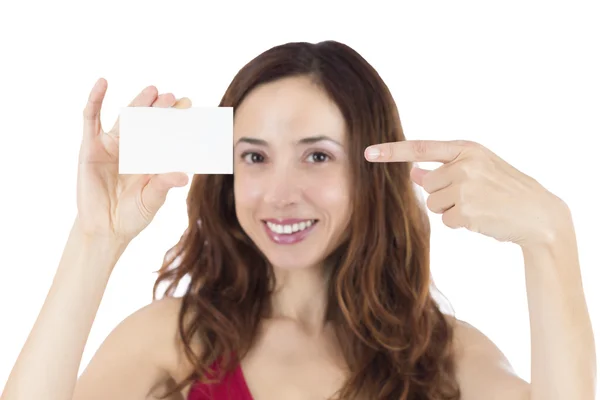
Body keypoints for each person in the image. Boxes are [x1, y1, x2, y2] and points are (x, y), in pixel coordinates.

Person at [1, 41, 594, 400]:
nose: (280, 194)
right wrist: (94, 239)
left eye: (317, 156)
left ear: (371, 173)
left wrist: (551, 237)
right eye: (254, 157)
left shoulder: (446, 358)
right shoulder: (174, 341)